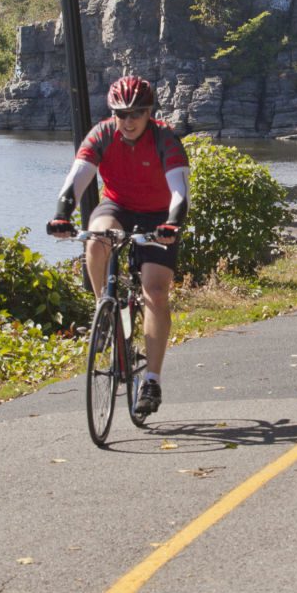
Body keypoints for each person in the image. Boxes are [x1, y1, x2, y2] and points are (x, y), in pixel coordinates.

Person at [47, 75, 189, 418]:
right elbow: (75, 181)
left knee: (156, 291)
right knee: (97, 239)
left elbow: (179, 192)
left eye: (136, 113)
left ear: (149, 112)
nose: (128, 121)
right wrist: (62, 216)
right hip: (117, 206)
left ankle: (151, 381)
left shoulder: (165, 138)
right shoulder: (102, 134)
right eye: (121, 113)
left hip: (159, 215)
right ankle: (105, 311)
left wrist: (171, 224)